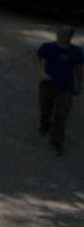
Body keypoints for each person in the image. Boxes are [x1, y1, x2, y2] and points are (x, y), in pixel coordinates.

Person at [41, 27, 82, 156]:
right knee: (45, 107)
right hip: (48, 85)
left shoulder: (76, 52)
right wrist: (41, 72)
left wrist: (79, 85)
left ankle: (57, 140)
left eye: (63, 34)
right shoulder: (48, 47)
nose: (59, 35)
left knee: (61, 114)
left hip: (66, 87)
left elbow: (79, 69)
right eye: (59, 33)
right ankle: (45, 122)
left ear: (69, 37)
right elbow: (39, 58)